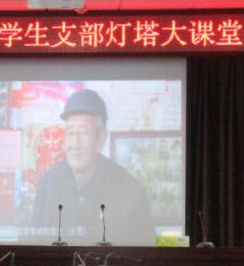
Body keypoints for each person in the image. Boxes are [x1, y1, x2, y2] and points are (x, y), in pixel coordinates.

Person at [29, 89, 155, 245]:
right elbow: (34, 243)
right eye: (70, 133)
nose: (75, 144)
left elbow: (144, 251)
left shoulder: (130, 190)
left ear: (101, 138)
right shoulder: (47, 185)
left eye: (84, 132)